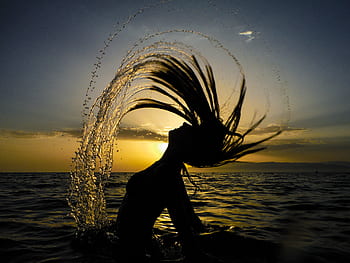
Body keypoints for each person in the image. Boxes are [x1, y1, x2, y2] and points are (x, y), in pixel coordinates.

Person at [114, 54, 280, 262]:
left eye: (191, 129)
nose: (184, 125)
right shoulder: (169, 171)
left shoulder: (167, 173)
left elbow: (188, 242)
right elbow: (192, 221)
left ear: (191, 145)